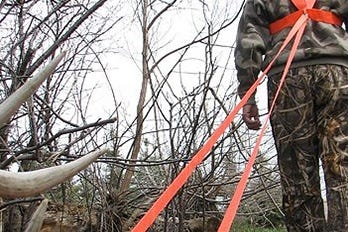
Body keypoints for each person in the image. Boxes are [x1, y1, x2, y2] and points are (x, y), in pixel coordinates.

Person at [234, 0, 348, 231]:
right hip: (336, 74)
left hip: (287, 78)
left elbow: (250, 34)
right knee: (343, 170)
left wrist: (248, 92)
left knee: (297, 178)